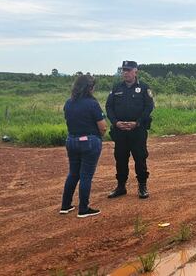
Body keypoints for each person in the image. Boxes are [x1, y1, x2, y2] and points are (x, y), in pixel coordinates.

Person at [105, 61, 155, 199]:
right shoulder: (116, 88)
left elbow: (149, 107)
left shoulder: (144, 88)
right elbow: (109, 107)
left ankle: (142, 186)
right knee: (120, 159)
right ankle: (121, 187)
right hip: (120, 131)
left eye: (128, 70)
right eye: (123, 70)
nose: (125, 73)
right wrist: (116, 122)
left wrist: (137, 123)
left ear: (135, 71)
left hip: (137, 131)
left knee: (140, 158)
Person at [60, 75, 108, 218]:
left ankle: (65, 205)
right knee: (86, 175)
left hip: (72, 140)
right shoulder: (92, 103)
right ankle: (83, 209)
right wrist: (99, 136)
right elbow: (103, 127)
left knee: (73, 174)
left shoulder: (68, 103)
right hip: (89, 141)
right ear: (89, 88)